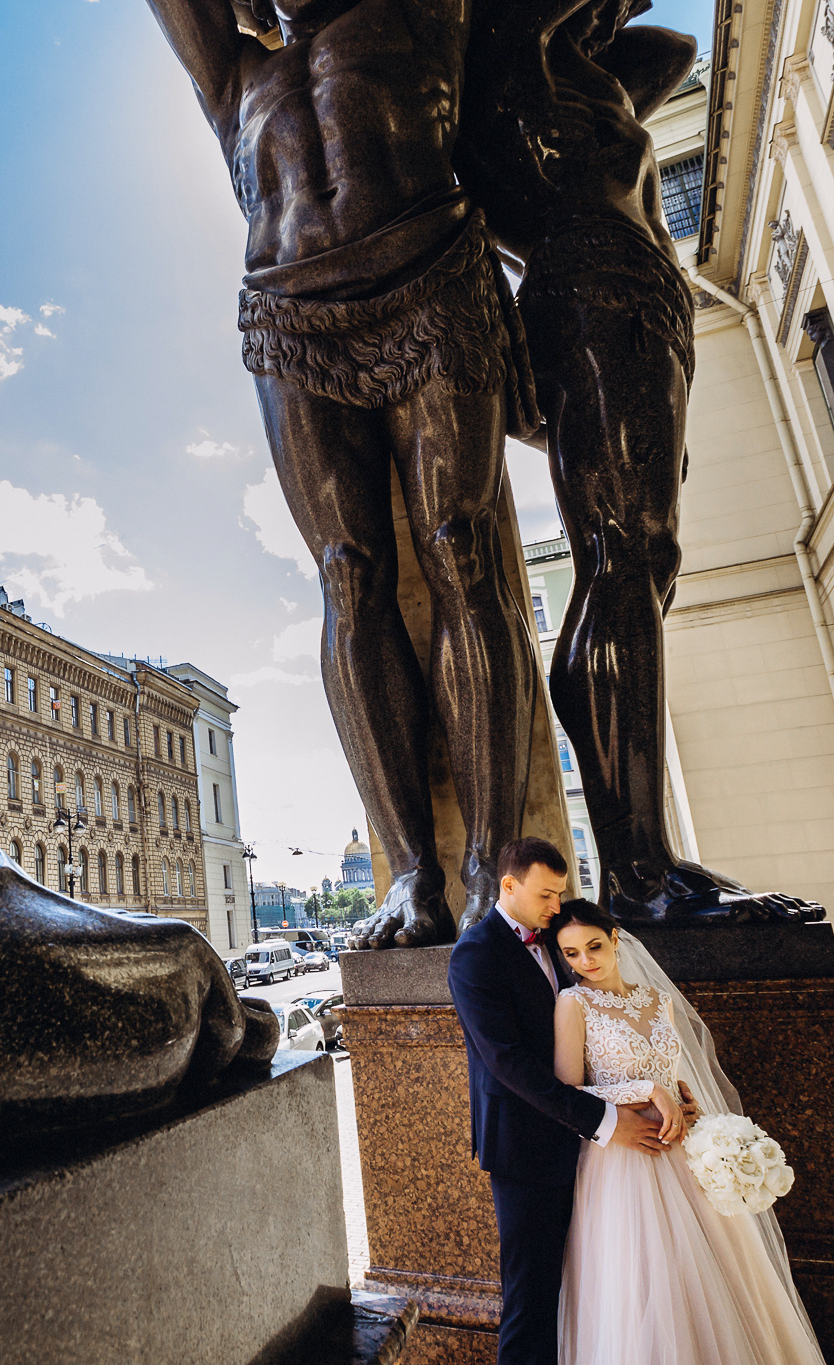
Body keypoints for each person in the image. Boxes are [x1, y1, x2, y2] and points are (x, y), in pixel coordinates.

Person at [143, 0, 546, 946]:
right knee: (348, 574)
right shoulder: (236, 78)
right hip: (289, 317)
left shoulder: (417, 14)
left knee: (460, 549)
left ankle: (489, 869)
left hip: (429, 275)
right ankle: (411, 874)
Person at [456, 0, 820, 921]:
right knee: (622, 555)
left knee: (643, 560)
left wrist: (590, 24)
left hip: (638, 296)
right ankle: (641, 869)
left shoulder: (581, 70)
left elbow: (674, 48)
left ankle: (642, 860)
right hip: (591, 286)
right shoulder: (498, 53)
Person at [549, 898, 828, 1362]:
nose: (586, 961)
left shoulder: (659, 1001)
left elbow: (672, 1069)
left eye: (594, 946)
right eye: (572, 953)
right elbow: (568, 1091)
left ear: (615, 939)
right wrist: (648, 1091)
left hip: (682, 1151)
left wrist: (684, 1100)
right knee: (645, 1279)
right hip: (624, 1159)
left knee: (710, 1274)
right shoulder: (574, 1003)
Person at [446, 836, 670, 1364]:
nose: (556, 905)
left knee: (594, 1288)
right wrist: (606, 1120)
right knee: (532, 1297)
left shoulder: (558, 938)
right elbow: (507, 1063)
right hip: (527, 1149)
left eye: (561, 893)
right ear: (509, 886)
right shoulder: (475, 954)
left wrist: (652, 1082)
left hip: (594, 1156)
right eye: (546, 894)